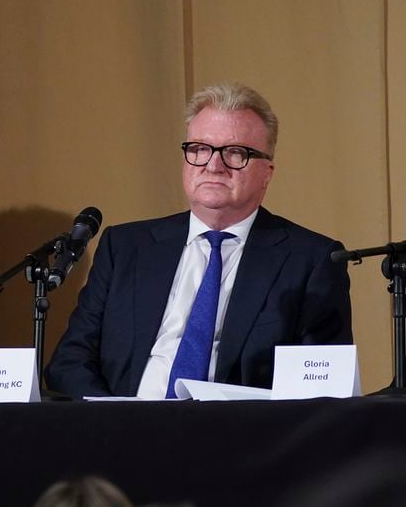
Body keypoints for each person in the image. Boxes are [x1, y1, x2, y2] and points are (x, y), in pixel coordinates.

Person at [45, 83, 352, 399]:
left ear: (267, 173)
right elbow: (70, 362)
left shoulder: (311, 260)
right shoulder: (125, 247)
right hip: (121, 430)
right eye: (199, 149)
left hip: (239, 437)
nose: (213, 165)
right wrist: (114, 423)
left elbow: (321, 387)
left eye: (236, 153)